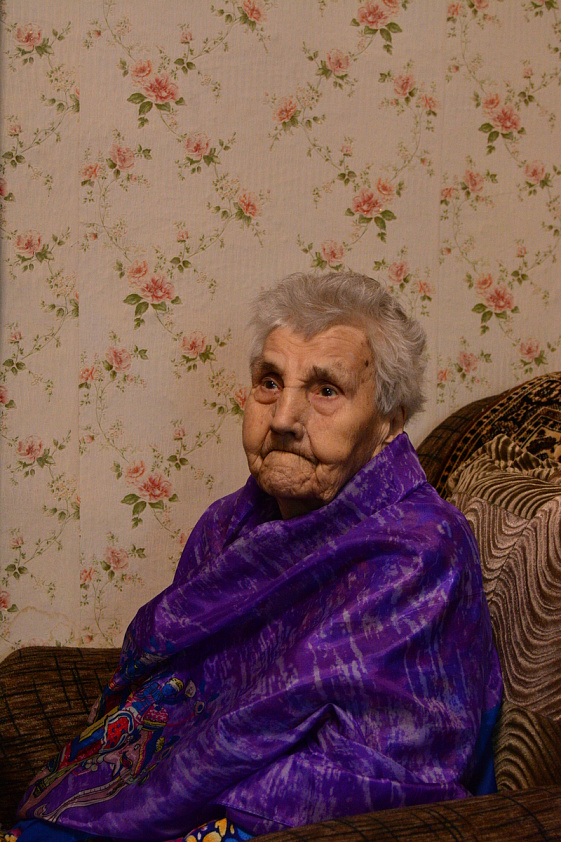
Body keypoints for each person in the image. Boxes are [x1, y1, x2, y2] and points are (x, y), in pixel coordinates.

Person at [6, 271, 502, 842]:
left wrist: (186, 808)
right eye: (270, 382)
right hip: (166, 796)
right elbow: (170, 690)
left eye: (326, 390)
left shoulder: (421, 548)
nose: (284, 418)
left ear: (389, 422)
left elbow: (381, 771)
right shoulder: (228, 524)